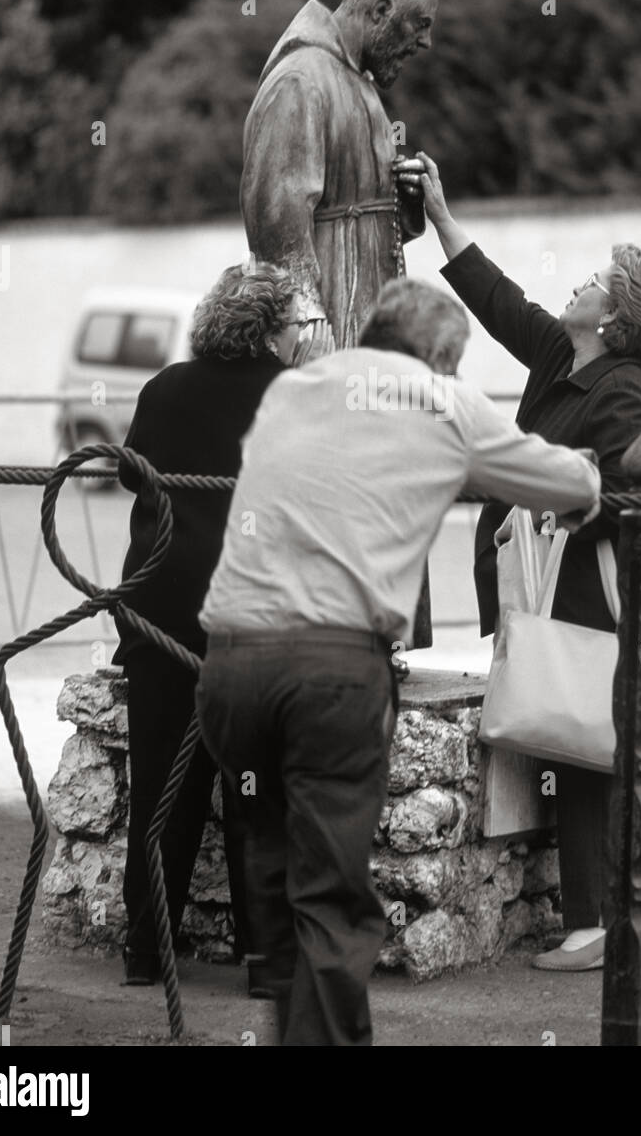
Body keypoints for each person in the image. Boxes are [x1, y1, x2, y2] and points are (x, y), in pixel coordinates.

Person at [195, 277, 602, 1045]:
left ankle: (295, 1031)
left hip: (230, 664)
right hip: (331, 670)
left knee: (274, 871)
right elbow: (564, 480)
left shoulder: (294, 389)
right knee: (330, 895)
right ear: (443, 359)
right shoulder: (442, 403)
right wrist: (584, 480)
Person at [406, 150, 641, 974]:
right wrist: (442, 216)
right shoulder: (566, 361)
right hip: (569, 608)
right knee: (588, 754)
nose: (579, 284)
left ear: (613, 316)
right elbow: (501, 303)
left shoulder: (626, 387)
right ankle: (603, 920)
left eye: (597, 280)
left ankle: (605, 926)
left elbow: (617, 491)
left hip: (610, 612)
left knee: (603, 757)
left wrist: (530, 488)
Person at [239, 0, 440, 650]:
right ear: (378, 12)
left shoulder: (357, 81)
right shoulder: (302, 78)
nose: (425, 42)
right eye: (417, 25)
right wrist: (313, 341)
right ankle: (338, 648)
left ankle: (372, 645)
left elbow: (358, 211)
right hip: (332, 345)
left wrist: (405, 205)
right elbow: (278, 223)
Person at [114, 262, 304, 989]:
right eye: (295, 324)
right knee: (256, 791)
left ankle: (146, 951)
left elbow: (132, 476)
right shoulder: (291, 395)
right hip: (254, 615)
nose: (299, 336)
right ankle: (264, 963)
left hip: (161, 611)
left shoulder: (164, 387)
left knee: (163, 788)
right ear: (270, 329)